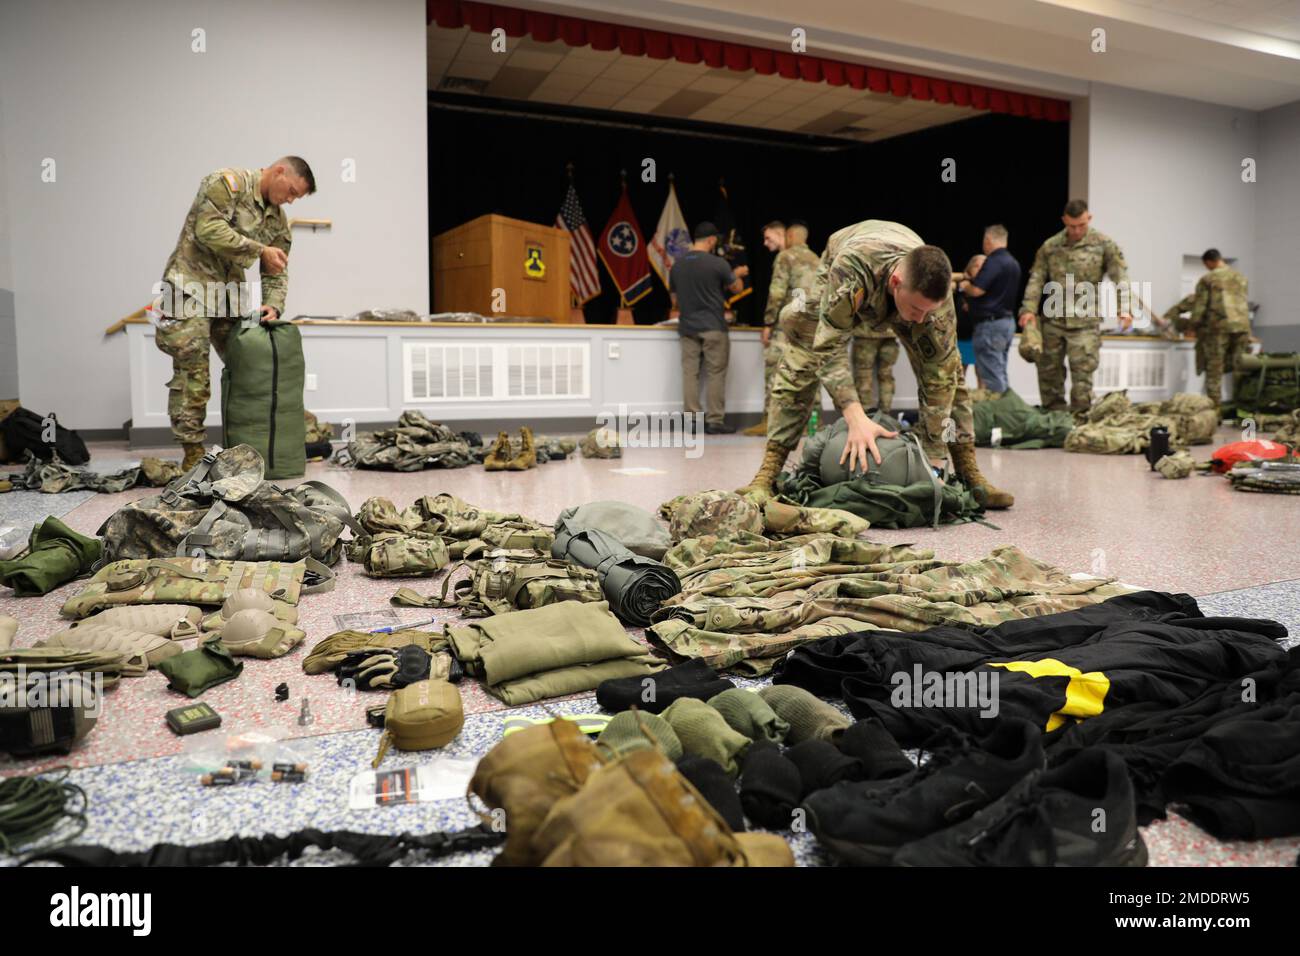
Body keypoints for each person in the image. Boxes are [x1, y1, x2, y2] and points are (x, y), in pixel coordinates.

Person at [743, 220, 1013, 509]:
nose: (921, 320)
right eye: (916, 310)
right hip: (847, 257)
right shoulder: (851, 271)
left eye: (927, 311)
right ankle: (767, 475)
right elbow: (827, 347)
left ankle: (969, 473)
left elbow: (940, 376)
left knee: (951, 374)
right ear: (897, 283)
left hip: (902, 262)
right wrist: (855, 416)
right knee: (803, 356)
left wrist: (934, 462)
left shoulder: (935, 298)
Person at [155, 157, 316, 469]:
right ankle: (192, 454)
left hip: (228, 298)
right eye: (292, 191)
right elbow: (208, 229)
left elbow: (277, 269)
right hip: (188, 290)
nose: (291, 199)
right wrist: (259, 250)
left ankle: (259, 441)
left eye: (297, 197)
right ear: (279, 171)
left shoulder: (277, 221)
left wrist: (273, 303)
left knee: (254, 365)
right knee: (194, 376)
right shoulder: (227, 184)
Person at [1019, 199, 1131, 420]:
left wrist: (1124, 309)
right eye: (1072, 226)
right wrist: (1028, 309)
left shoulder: (1104, 244)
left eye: (1081, 225)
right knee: (1049, 374)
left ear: (1089, 218)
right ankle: (1055, 422)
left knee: (1082, 377)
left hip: (1085, 323)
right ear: (1064, 221)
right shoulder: (1050, 246)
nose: (1077, 230)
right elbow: (1037, 279)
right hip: (1053, 320)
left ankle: (1079, 423)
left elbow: (1121, 277)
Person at [669, 222, 748, 434]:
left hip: (687, 327)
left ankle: (692, 421)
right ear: (712, 240)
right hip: (714, 326)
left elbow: (674, 300)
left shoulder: (677, 266)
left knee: (690, 374)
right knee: (716, 373)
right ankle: (715, 421)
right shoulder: (718, 263)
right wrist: (738, 273)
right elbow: (736, 287)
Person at [744, 221, 820, 436]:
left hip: (786, 327)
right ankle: (813, 423)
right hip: (812, 326)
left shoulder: (785, 257)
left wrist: (768, 323)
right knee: (810, 372)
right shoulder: (817, 258)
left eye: (769, 238)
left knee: (773, 371)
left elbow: (777, 293)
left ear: (785, 235)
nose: (766, 244)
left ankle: (769, 422)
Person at [1158, 249, 1251, 403]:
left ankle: (1215, 412)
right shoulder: (1241, 278)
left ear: (1209, 262)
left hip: (1218, 329)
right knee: (1240, 368)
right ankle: (1241, 409)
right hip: (1242, 328)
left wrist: (1192, 327)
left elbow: (1200, 307)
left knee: (1214, 369)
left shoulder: (1208, 279)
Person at [958, 225, 1023, 394]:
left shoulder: (993, 261)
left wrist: (965, 286)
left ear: (988, 240)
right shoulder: (1013, 262)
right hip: (1007, 322)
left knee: (992, 376)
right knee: (999, 371)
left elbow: (978, 289)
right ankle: (1006, 411)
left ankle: (999, 416)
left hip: (990, 325)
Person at [953, 254, 984, 387]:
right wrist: (964, 276)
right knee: (960, 374)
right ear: (970, 267)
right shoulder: (960, 285)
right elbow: (945, 279)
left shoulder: (986, 286)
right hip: (961, 336)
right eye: (977, 266)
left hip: (980, 337)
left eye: (984, 266)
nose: (980, 269)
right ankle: (960, 404)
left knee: (982, 374)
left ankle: (982, 404)